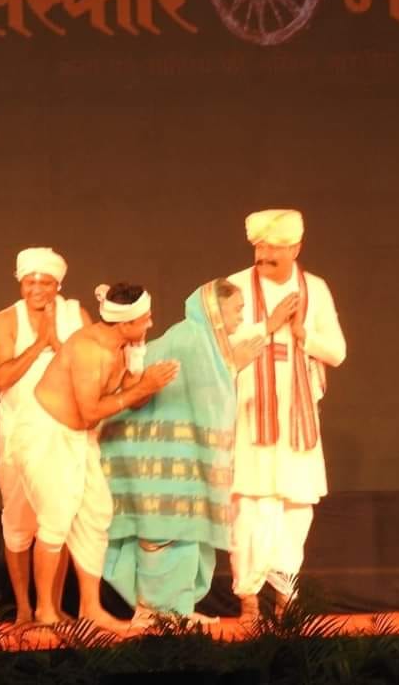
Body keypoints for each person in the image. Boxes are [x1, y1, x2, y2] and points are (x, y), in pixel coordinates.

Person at [10, 281, 179, 629]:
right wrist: (143, 386)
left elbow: (135, 399)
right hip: (45, 433)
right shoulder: (89, 350)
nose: (150, 323)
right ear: (125, 323)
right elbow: (90, 410)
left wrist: (144, 377)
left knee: (95, 513)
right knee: (56, 518)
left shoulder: (121, 346)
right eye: (144, 319)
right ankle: (44, 612)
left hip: (79, 437)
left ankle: (91, 608)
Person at [100, 278, 265, 629]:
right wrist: (233, 364)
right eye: (237, 309)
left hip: (185, 456)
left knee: (187, 531)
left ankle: (177, 609)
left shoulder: (202, 341)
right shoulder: (189, 338)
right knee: (166, 530)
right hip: (164, 455)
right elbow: (202, 389)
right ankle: (154, 611)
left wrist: (231, 362)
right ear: (216, 310)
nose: (241, 317)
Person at [226, 209, 347, 621]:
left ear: (295, 248)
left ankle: (285, 597)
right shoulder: (236, 287)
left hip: (298, 419)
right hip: (250, 417)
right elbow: (222, 348)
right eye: (259, 247)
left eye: (274, 247)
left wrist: (302, 334)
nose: (264, 254)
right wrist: (268, 324)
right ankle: (248, 599)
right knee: (251, 508)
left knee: (296, 509)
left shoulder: (315, 289)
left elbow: (338, 352)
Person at [0, 247, 90, 623]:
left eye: (45, 282)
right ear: (20, 282)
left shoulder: (75, 315)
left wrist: (58, 344)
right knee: (18, 522)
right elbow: (1, 377)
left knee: (56, 518)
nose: (36, 289)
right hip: (18, 433)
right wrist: (40, 343)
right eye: (29, 282)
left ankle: (53, 607)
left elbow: (89, 368)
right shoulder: (6, 319)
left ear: (57, 284)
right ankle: (23, 609)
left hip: (63, 432)